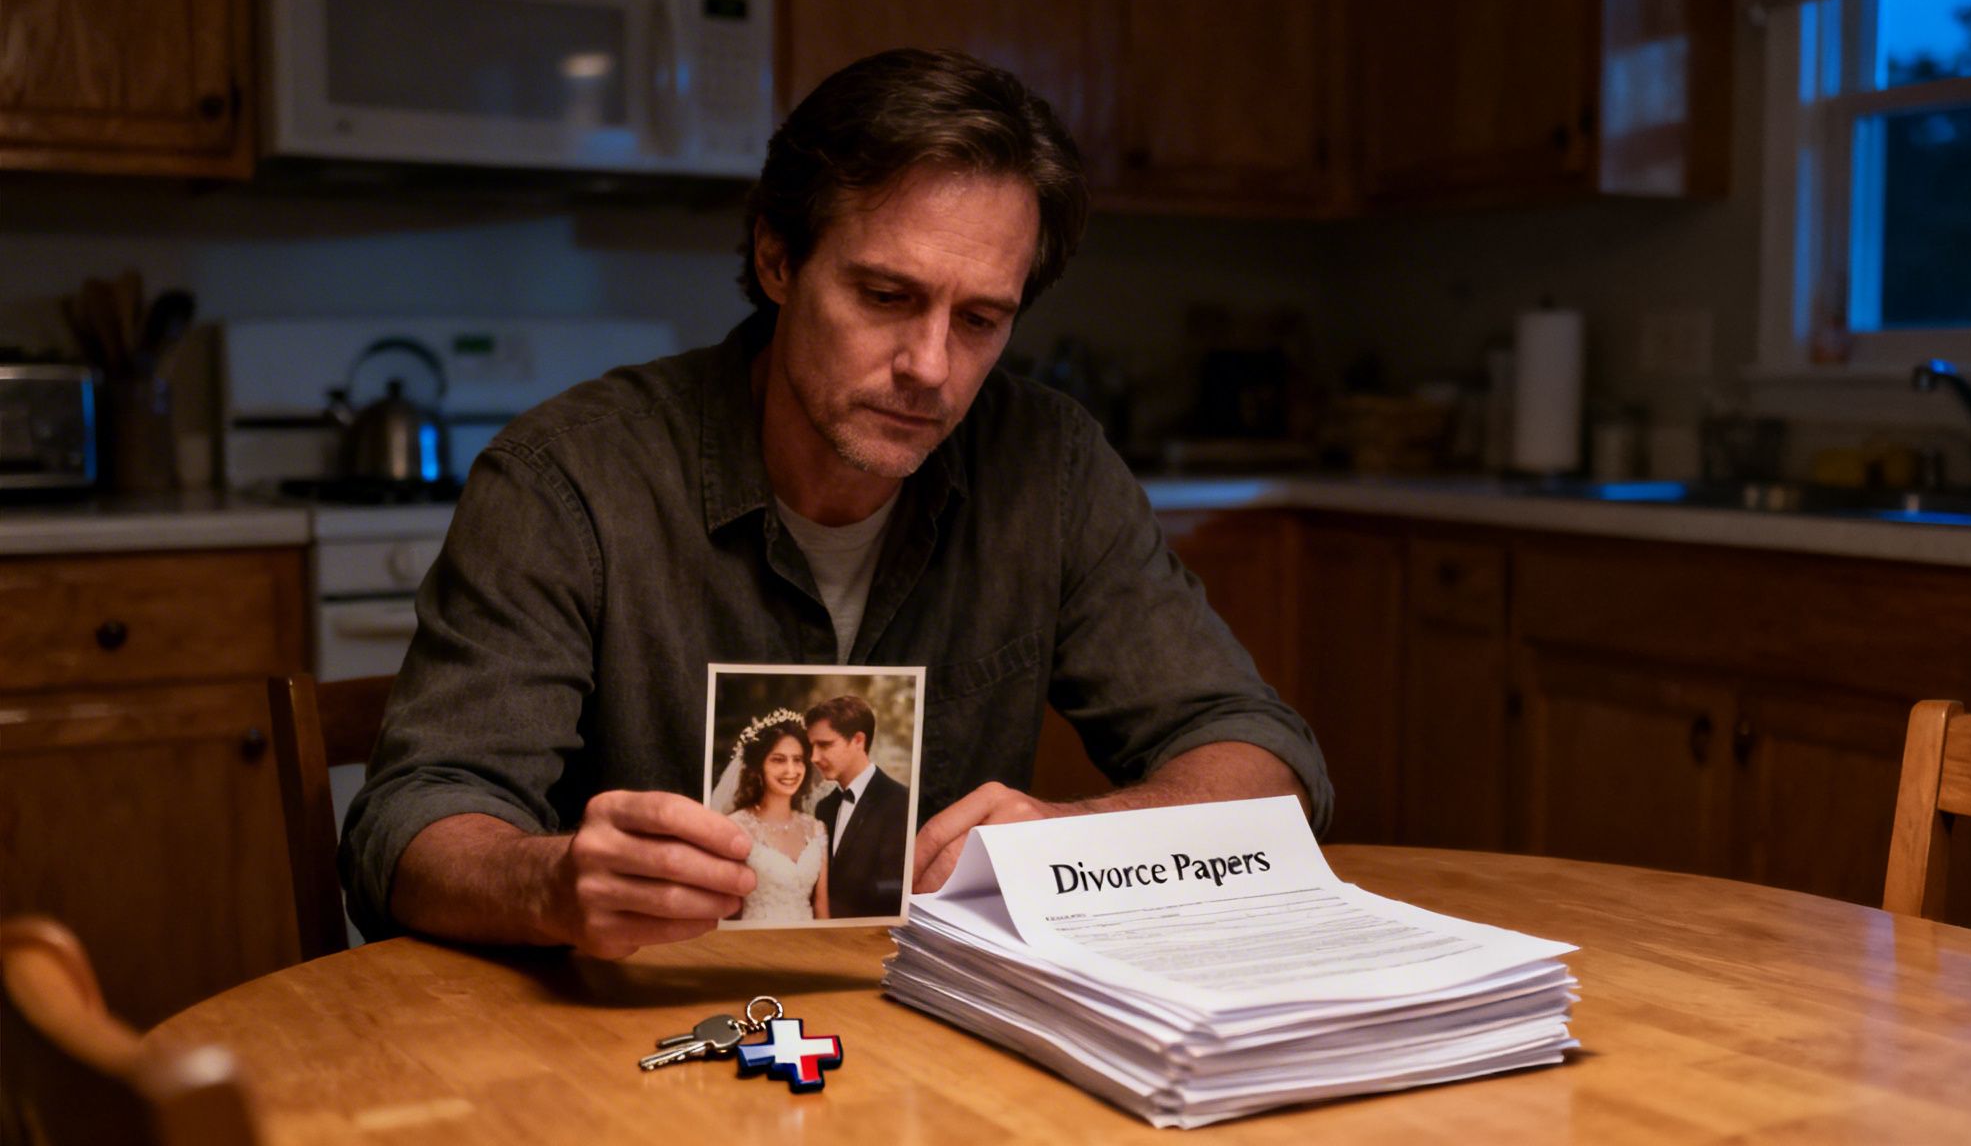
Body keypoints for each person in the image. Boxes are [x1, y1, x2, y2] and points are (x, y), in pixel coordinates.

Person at [341, 47, 1332, 961]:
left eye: (980, 320)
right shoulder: (569, 477)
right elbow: (410, 824)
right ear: (777, 260)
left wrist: (1080, 838)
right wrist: (551, 882)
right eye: (885, 296)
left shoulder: (1049, 465)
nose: (930, 368)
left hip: (940, 1037)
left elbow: (1263, 758)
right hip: (624, 1038)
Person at [805, 696, 910, 919]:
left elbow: (893, 892)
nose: (813, 757)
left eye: (824, 745)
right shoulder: (824, 807)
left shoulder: (899, 801)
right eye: (811, 746)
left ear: (858, 741)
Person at [724, 709, 829, 922]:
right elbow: (727, 911)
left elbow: (821, 907)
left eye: (798, 759)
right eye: (778, 760)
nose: (791, 770)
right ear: (758, 767)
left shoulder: (816, 828)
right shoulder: (737, 826)